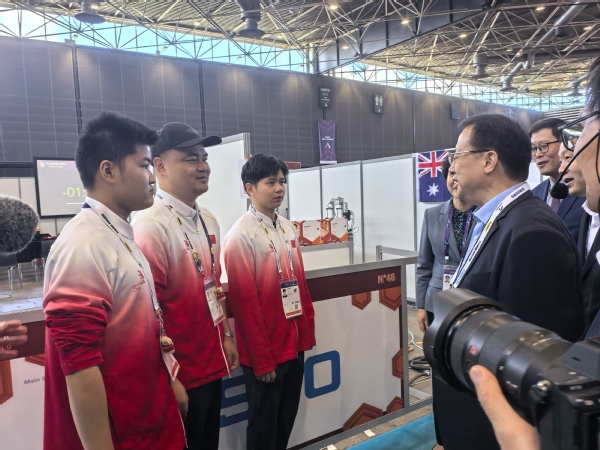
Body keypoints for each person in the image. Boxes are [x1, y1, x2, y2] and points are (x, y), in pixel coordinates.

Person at [433, 113, 584, 450]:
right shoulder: (496, 218)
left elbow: (536, 362)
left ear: (489, 160)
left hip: (496, 431)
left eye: (458, 155)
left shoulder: (531, 232)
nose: (452, 165)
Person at [43, 112, 185, 450]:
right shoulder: (83, 244)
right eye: (144, 165)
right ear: (108, 171)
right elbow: (80, 367)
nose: (152, 177)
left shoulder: (119, 234)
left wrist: (171, 381)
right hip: (117, 434)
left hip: (146, 420)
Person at [132, 122, 238, 450]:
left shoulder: (207, 219)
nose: (203, 166)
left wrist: (227, 336)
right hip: (181, 374)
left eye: (204, 157)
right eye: (191, 158)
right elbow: (148, 314)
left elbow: (215, 287)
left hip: (211, 363)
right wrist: (170, 377)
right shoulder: (150, 225)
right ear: (159, 165)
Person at [222, 153, 316, 450]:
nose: (279, 188)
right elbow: (244, 306)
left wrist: (306, 335)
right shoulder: (241, 236)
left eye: (282, 182)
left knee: (285, 421)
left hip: (293, 344)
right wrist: (262, 359)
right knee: (263, 430)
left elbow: (300, 286)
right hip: (267, 354)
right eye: (271, 182)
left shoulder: (287, 228)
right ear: (250, 188)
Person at [416, 157, 475, 333]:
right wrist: (420, 306)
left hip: (474, 300)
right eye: (451, 173)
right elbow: (424, 264)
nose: (455, 178)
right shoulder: (432, 215)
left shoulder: (487, 215)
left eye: (460, 173)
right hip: (437, 300)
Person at [530, 118, 585, 242]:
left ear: (565, 142)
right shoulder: (533, 195)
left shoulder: (588, 190)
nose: (538, 154)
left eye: (543, 146)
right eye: (533, 149)